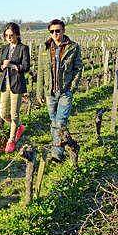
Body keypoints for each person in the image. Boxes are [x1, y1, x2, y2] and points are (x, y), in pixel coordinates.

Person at [44, 19, 83, 162]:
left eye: (58, 30)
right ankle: (58, 148)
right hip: (50, 92)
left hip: (65, 91)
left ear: (63, 30)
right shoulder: (46, 47)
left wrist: (72, 88)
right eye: (52, 31)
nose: (55, 34)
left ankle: (57, 154)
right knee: (53, 121)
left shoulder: (73, 47)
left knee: (60, 122)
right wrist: (39, 92)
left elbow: (78, 68)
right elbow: (41, 71)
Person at [0, 22, 30, 153]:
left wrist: (12, 65)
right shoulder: (5, 49)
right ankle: (18, 127)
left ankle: (11, 140)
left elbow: (26, 66)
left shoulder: (23, 48)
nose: (9, 37)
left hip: (16, 83)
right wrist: (3, 66)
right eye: (6, 35)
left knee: (14, 114)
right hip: (5, 84)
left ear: (17, 34)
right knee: (3, 113)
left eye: (11, 35)